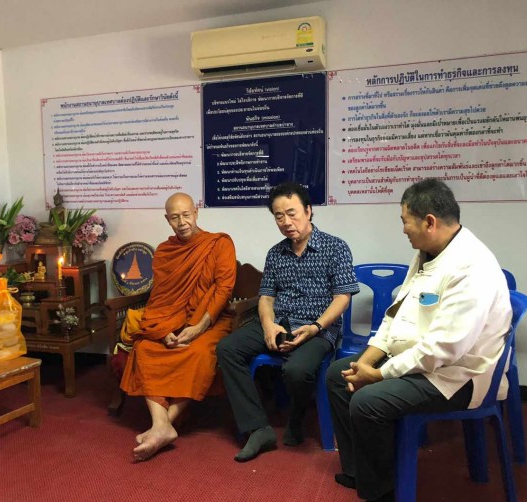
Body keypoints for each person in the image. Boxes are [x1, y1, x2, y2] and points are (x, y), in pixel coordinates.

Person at [326, 178, 512, 502]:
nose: (403, 230)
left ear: (429, 221)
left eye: (405, 221)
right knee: (339, 376)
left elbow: (444, 349)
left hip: (457, 376)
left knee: (368, 402)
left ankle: (383, 493)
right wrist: (366, 362)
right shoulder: (428, 253)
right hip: (420, 359)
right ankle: (361, 471)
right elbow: (395, 315)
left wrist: (379, 374)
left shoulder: (472, 268)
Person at [216, 181, 359, 462]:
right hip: (280, 323)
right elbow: (266, 298)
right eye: (279, 216)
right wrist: (269, 326)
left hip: (318, 328)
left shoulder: (335, 248)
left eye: (292, 213)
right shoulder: (275, 253)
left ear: (308, 211)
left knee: (297, 370)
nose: (286, 222)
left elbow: (342, 298)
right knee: (227, 349)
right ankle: (258, 427)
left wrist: (316, 327)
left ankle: (297, 414)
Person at [120, 192, 237, 461]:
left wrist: (199, 327)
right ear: (167, 220)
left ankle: (162, 426)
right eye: (175, 217)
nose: (182, 222)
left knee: (197, 352)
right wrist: (163, 330)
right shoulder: (165, 251)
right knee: (145, 348)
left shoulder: (219, 244)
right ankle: (162, 426)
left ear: (196, 213)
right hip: (170, 320)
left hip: (210, 321)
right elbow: (161, 297)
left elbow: (224, 289)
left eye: (186, 215)